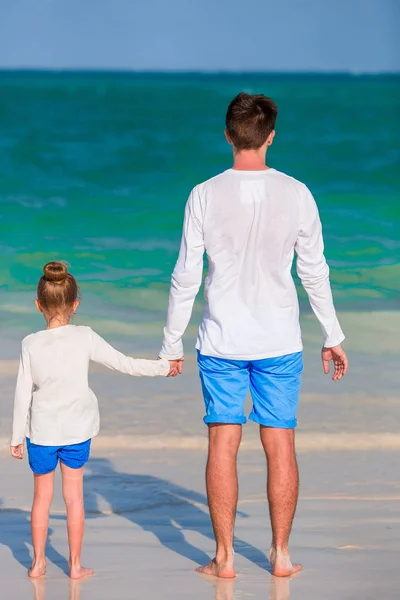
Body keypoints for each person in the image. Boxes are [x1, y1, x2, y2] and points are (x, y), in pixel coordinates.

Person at [159, 92, 348, 578]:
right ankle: (280, 555)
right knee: (280, 443)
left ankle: (224, 559)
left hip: (221, 340)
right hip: (279, 340)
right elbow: (315, 272)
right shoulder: (298, 193)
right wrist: (332, 334)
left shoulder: (203, 193)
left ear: (228, 135)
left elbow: (185, 274)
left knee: (222, 442)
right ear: (270, 137)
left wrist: (170, 342)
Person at [10, 261, 179, 580]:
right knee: (74, 498)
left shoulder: (30, 343)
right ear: (75, 304)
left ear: (37, 306)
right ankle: (74, 565)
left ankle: (37, 564)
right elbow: (124, 364)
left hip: (42, 434)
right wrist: (163, 367)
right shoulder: (84, 336)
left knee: (41, 500)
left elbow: (22, 394)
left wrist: (16, 437)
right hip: (76, 432)